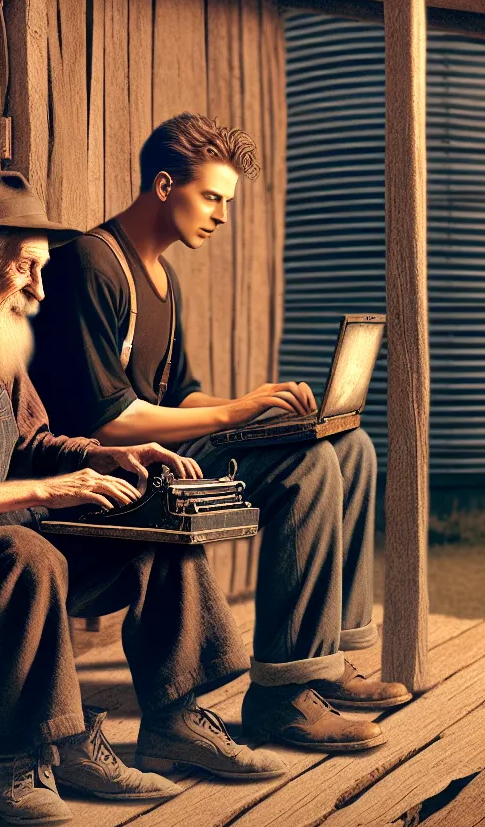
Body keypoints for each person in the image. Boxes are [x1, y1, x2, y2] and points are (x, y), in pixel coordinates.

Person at [0, 171, 285, 827]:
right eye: (27, 268)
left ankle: (176, 718)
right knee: (29, 554)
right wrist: (48, 489)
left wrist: (100, 457)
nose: (40, 289)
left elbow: (33, 439)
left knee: (156, 517)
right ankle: (17, 756)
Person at [30, 114, 410, 755]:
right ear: (161, 185)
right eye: (211, 197)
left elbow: (181, 398)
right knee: (307, 468)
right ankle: (282, 698)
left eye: (226, 201)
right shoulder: (90, 266)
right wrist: (235, 416)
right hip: (107, 471)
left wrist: (261, 408)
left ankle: (326, 662)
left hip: (165, 456)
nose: (221, 215)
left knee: (349, 447)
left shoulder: (162, 279)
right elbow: (109, 418)